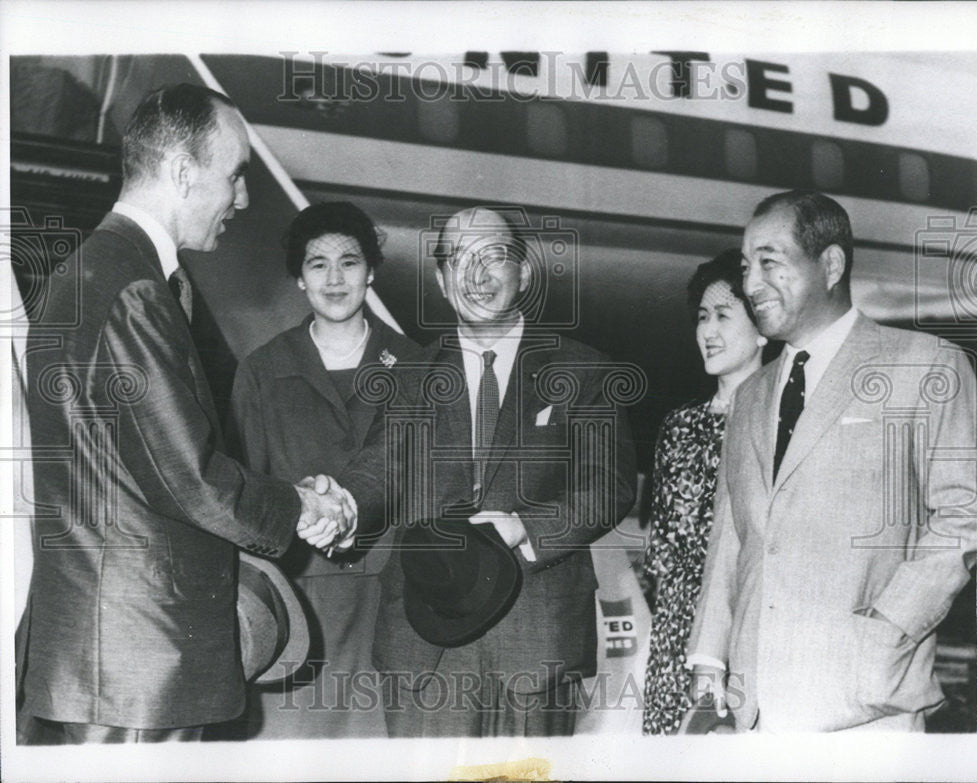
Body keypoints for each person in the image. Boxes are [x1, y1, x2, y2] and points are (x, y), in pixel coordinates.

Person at [19, 84, 351, 744]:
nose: (243, 198)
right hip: (139, 669)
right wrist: (300, 506)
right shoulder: (134, 288)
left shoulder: (87, 271)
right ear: (180, 172)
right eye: (234, 176)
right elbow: (190, 478)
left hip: (104, 660)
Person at [685, 190, 977, 732]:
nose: (751, 285)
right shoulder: (751, 395)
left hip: (864, 704)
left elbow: (965, 514)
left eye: (770, 263)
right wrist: (709, 659)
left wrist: (889, 628)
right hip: (754, 708)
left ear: (831, 264)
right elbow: (734, 534)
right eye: (747, 266)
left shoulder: (925, 364)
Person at [342, 206, 638, 737]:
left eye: (493, 257)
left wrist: (525, 525)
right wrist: (337, 507)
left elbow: (607, 485)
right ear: (440, 278)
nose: (476, 276)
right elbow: (378, 471)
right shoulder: (408, 378)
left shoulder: (583, 371)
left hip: (535, 645)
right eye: (459, 260)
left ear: (523, 272)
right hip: (424, 646)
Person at [225, 202, 420, 738]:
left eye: (349, 261)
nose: (335, 279)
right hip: (297, 604)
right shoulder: (262, 371)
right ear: (298, 279)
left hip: (395, 605)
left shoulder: (419, 367)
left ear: (371, 271)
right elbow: (246, 502)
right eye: (317, 264)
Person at [641, 249, 766, 735]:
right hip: (676, 633)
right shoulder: (679, 425)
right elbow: (663, 549)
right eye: (701, 317)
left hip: (748, 627)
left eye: (723, 315)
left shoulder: (783, 423)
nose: (708, 331)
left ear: (761, 329)